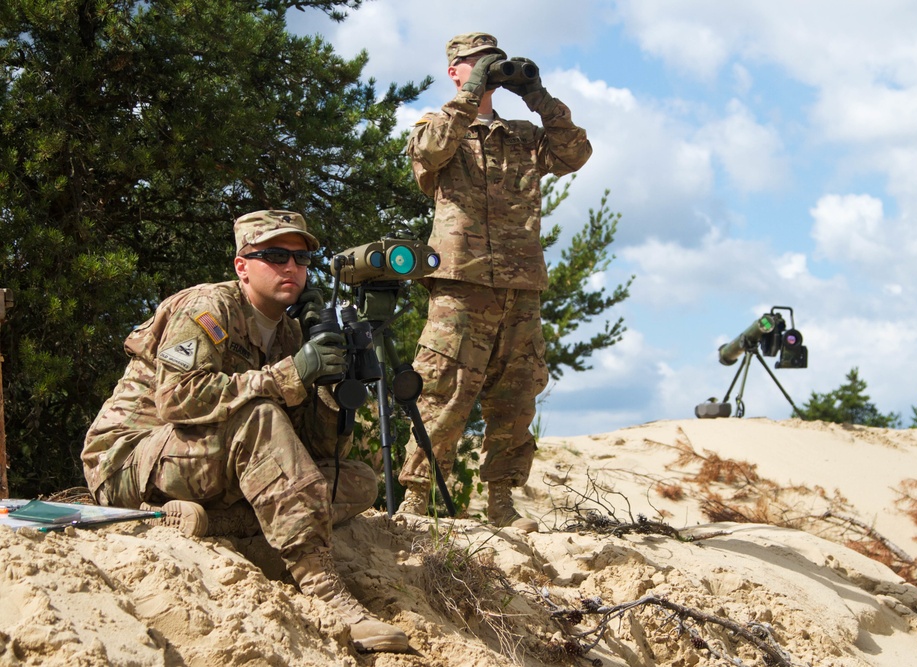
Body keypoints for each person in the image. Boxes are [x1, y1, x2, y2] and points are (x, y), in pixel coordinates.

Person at [81, 210, 409, 653]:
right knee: (259, 415)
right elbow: (177, 398)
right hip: (128, 460)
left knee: (356, 480)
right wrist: (290, 375)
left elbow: (311, 451)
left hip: (210, 463)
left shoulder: (292, 334)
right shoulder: (207, 307)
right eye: (274, 255)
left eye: (300, 257)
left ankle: (215, 524)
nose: (291, 267)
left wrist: (332, 386)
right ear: (242, 265)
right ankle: (330, 596)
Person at [397, 33, 593, 531]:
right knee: (442, 389)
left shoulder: (524, 135)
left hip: (521, 285)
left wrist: (539, 98)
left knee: (516, 393)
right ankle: (416, 500)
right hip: (461, 283)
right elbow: (430, 154)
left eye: (495, 64)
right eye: (476, 64)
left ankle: (501, 502)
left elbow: (576, 153)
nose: (487, 71)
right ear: (455, 71)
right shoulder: (436, 127)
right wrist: (469, 99)